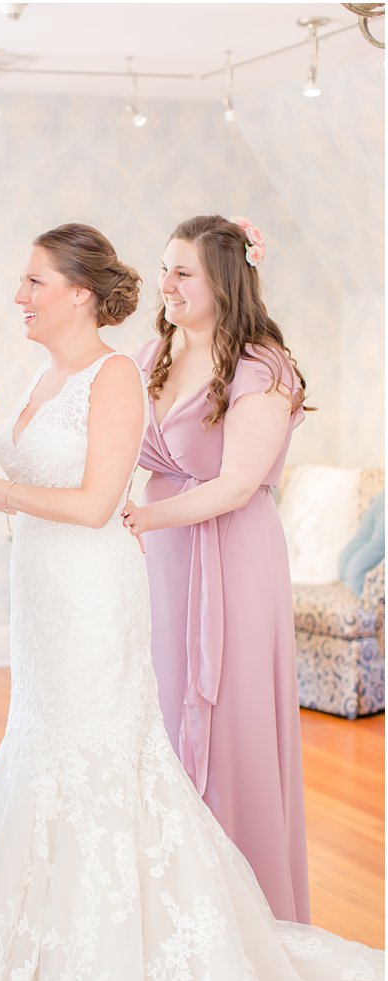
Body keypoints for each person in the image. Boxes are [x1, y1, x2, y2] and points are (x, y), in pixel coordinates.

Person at [0, 225, 383, 981]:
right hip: (46, 594)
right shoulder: (61, 375)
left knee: (109, 763)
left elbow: (100, 502)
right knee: (45, 755)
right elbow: (53, 474)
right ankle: (45, 949)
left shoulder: (115, 377)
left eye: (32, 281)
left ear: (76, 291)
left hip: (96, 589)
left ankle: (140, 965)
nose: (18, 294)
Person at [121, 215, 310, 922]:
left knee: (228, 724)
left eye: (182, 271)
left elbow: (234, 486)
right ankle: (171, 905)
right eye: (164, 267)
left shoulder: (261, 368)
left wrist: (140, 518)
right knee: (161, 714)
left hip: (231, 556)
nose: (164, 284)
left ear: (224, 279)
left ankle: (241, 915)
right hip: (161, 560)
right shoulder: (150, 356)